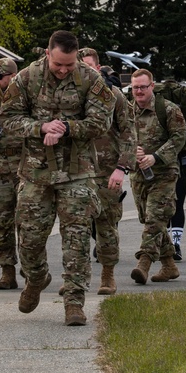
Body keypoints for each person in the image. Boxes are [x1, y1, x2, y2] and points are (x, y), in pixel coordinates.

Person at [0, 30, 113, 326]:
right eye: (58, 64)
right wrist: (39, 128)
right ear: (47, 53)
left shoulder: (90, 79)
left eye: (70, 65)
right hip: (36, 173)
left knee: (76, 239)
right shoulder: (26, 78)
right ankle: (36, 278)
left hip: (77, 172)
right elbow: (8, 118)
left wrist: (66, 127)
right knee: (30, 240)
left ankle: (74, 301)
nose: (63, 70)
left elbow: (102, 122)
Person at [78, 48, 135, 295]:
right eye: (81, 66)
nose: (86, 70)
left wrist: (122, 168)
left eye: (90, 66)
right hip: (76, 172)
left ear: (99, 67)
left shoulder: (113, 97)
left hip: (107, 172)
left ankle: (108, 276)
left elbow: (130, 134)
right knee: (75, 230)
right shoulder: (70, 97)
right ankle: (75, 280)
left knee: (106, 227)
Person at [128, 69, 186, 285]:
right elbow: (120, 137)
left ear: (152, 86)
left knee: (154, 218)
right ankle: (169, 265)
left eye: (143, 87)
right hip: (139, 174)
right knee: (152, 220)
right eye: (135, 87)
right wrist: (132, 152)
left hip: (165, 174)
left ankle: (143, 263)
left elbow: (179, 137)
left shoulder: (168, 110)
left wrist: (156, 157)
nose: (139, 91)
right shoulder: (126, 111)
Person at [0, 57, 23, 290]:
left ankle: (31, 269)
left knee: (28, 222)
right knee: (0, 221)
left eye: (1, 76)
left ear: (12, 77)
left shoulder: (23, 97)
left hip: (24, 165)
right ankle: (7, 270)